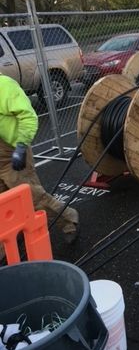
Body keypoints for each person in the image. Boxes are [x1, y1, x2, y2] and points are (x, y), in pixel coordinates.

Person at [0, 73, 79, 251]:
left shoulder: (4, 86)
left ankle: (68, 219)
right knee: (3, 205)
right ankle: (7, 245)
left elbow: (28, 117)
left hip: (11, 154)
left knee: (33, 198)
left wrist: (21, 147)